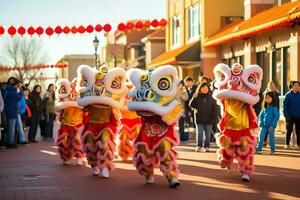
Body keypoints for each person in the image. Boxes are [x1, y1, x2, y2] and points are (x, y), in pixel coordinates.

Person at [190, 82, 217, 152]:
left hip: (209, 120)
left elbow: (215, 109)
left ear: (208, 89)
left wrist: (214, 118)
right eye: (202, 88)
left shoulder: (212, 97)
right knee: (199, 134)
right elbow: (191, 105)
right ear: (200, 89)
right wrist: (193, 97)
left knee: (208, 135)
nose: (204, 89)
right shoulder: (197, 96)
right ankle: (199, 146)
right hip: (199, 119)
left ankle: (206, 146)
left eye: (206, 88)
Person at [3, 78, 23, 148]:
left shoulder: (6, 90)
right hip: (12, 112)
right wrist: (20, 89)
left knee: (9, 128)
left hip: (7, 111)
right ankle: (10, 142)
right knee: (11, 128)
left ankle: (8, 141)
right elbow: (20, 97)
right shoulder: (12, 92)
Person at [283, 80, 300, 149]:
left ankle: (298, 144)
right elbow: (284, 106)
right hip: (290, 116)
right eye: (295, 85)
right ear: (291, 87)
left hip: (299, 116)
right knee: (289, 130)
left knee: (299, 131)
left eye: (298, 86)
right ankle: (287, 144)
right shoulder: (288, 95)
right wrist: (286, 115)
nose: (297, 87)